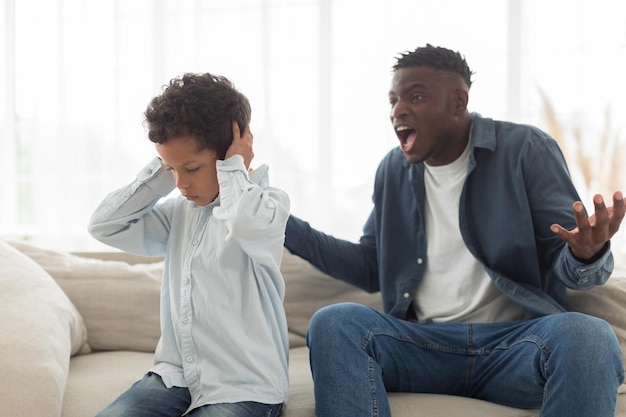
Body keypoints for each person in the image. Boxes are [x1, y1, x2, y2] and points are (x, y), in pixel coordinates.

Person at [284, 44, 625, 417]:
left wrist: (586, 253)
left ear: (458, 102)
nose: (398, 110)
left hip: (514, 347)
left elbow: (565, 252)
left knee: (588, 336)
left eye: (415, 96)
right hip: (422, 346)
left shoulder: (525, 149)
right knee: (334, 322)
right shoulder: (392, 171)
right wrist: (282, 225)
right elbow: (370, 266)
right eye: (393, 100)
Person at [88, 73, 290, 417]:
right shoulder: (178, 214)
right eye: (172, 169)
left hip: (244, 385)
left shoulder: (268, 205)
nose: (181, 183)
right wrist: (162, 171)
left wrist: (233, 169)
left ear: (229, 152)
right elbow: (104, 226)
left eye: (191, 168)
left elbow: (244, 223)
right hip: (174, 377)